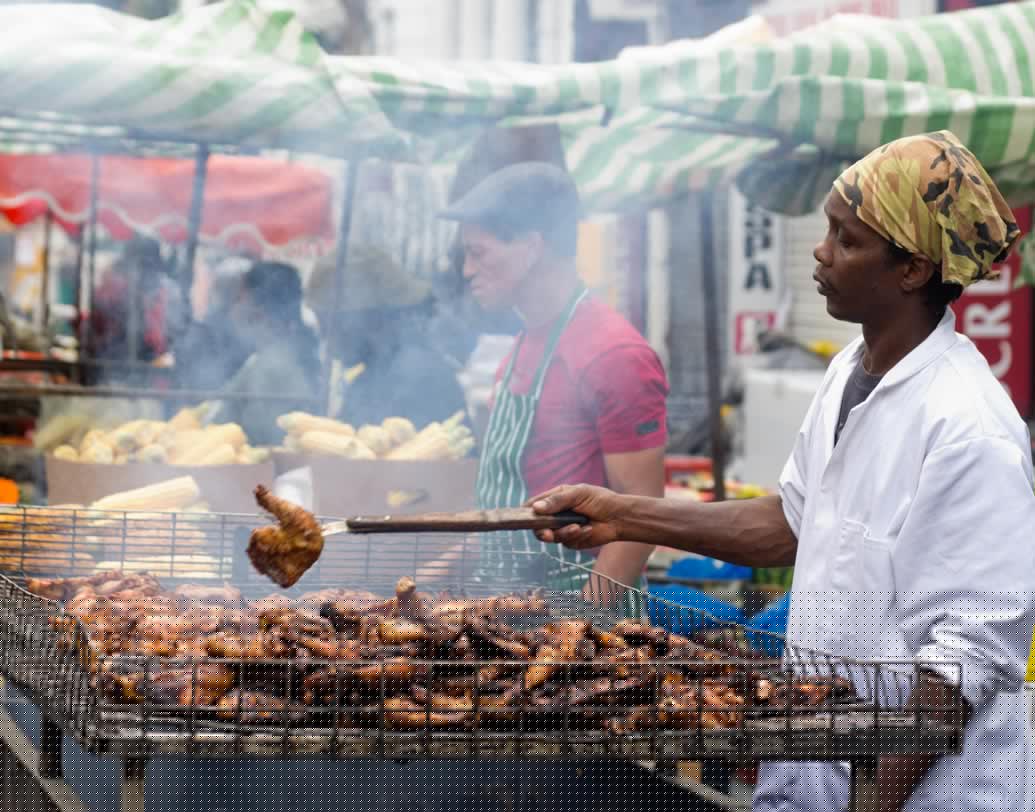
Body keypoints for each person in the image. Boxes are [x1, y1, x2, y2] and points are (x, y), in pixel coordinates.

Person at [528, 132, 1035, 812]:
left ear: (911, 269)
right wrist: (622, 514)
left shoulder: (966, 427)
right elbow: (785, 525)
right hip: (815, 775)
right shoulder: (845, 374)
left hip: (918, 798)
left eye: (845, 239)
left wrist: (870, 806)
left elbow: (965, 660)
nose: (821, 253)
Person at [439, 162, 669, 616]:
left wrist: (579, 628)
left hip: (583, 624)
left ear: (530, 246)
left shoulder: (613, 354)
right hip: (511, 609)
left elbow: (643, 520)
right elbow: (509, 501)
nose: (466, 269)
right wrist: (432, 572)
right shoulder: (523, 343)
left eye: (478, 252)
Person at [306, 246, 469, 428]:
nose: (324, 335)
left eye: (329, 323)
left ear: (368, 318)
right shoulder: (368, 379)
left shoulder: (417, 375)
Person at [213, 260, 322, 445]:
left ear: (258, 311)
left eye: (238, 298)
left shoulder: (274, 368)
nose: (232, 308)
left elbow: (266, 437)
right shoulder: (269, 357)